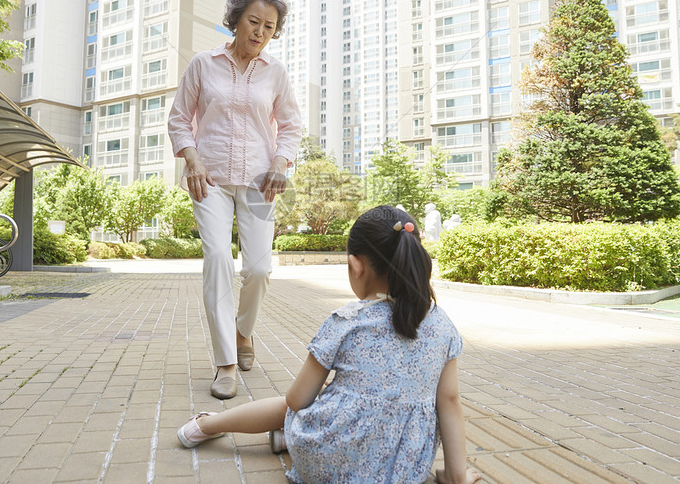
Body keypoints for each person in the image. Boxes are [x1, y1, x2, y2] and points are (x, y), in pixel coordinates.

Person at [177, 206, 482, 484]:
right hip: (401, 471)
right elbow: (450, 401)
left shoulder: (347, 320)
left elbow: (296, 401)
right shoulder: (441, 324)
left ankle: (207, 425)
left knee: (304, 400)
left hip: (324, 464)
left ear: (356, 266)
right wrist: (457, 475)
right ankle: (283, 437)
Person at [167, 0, 301, 399]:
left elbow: (292, 126)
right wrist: (191, 158)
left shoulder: (276, 73)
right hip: (209, 181)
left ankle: (244, 333)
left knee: (259, 269)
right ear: (237, 20)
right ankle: (225, 362)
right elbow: (178, 119)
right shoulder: (203, 65)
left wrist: (281, 161)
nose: (260, 32)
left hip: (262, 182)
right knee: (219, 260)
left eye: (269, 26)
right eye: (254, 21)